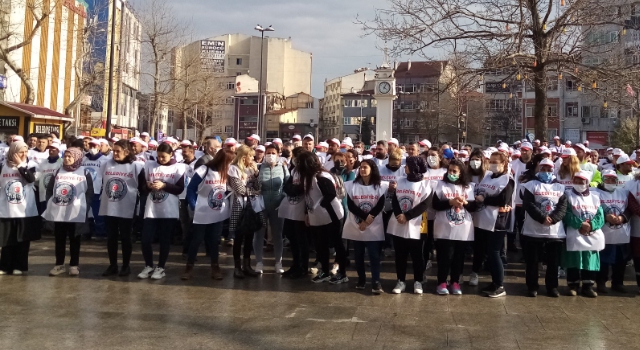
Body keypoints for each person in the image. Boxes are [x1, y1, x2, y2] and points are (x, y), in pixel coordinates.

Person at [182, 149, 235, 281]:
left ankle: (215, 267)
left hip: (217, 212)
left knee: (214, 240)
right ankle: (189, 268)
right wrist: (193, 206)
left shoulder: (227, 172)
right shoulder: (204, 170)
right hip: (202, 210)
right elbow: (191, 188)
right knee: (197, 239)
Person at [521, 157, 568, 297]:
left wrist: (552, 219)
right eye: (543, 169)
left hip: (555, 233)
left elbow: (563, 206)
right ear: (539, 169)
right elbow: (528, 204)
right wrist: (542, 217)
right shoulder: (530, 185)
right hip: (533, 231)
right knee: (532, 262)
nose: (546, 171)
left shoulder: (560, 187)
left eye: (549, 169)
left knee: (553, 263)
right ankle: (532, 286)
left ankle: (552, 287)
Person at [296, 152, 346, 284]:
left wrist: (320, 206)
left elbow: (330, 194)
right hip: (316, 217)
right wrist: (308, 213)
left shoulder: (321, 176)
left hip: (331, 215)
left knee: (337, 243)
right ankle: (324, 271)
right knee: (320, 245)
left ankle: (343, 273)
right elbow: (308, 197)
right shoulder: (307, 177)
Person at [43, 148, 94, 276]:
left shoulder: (84, 172)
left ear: (77, 158)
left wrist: (85, 207)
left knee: (75, 239)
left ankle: (73, 265)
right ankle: (59, 265)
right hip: (59, 211)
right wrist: (50, 203)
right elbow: (50, 190)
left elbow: (89, 193)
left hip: (76, 213)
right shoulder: (58, 171)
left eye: (70, 156)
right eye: (65, 156)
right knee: (59, 239)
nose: (67, 158)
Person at [138, 143, 185, 280]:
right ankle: (148, 265)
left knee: (164, 239)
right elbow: (141, 186)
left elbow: (179, 189)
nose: (161, 159)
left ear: (171, 154)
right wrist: (147, 185)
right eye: (158, 156)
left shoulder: (178, 167)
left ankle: (161, 267)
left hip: (168, 209)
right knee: (146, 239)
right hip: (152, 208)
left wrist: (164, 185)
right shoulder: (149, 165)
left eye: (163, 157)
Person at [471, 152, 514, 297]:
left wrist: (484, 199)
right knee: (486, 252)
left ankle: (500, 285)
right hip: (483, 218)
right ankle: (494, 282)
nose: (494, 164)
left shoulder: (507, 179)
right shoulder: (488, 176)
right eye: (492, 161)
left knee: (494, 252)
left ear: (504, 163)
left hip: (497, 221)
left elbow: (503, 199)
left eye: (497, 162)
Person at [100, 140, 145, 277]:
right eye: (113, 151)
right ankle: (112, 265)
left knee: (125, 237)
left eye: (118, 151)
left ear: (127, 151)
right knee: (111, 237)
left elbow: (142, 187)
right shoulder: (107, 164)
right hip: (109, 206)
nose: (115, 153)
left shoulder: (136, 166)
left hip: (127, 206)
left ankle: (126, 265)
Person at [343, 159, 388, 294]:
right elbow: (351, 205)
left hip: (373, 225)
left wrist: (369, 219)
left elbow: (380, 204)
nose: (362, 170)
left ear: (372, 169)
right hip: (357, 225)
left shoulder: (380, 186)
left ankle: (375, 281)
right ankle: (361, 279)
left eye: (365, 167)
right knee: (358, 255)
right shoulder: (351, 185)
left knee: (374, 255)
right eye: (361, 167)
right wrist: (363, 219)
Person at [432, 159, 476, 295]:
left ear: (461, 173)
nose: (451, 173)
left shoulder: (468, 187)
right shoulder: (440, 185)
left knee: (458, 257)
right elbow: (435, 205)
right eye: (449, 170)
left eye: (454, 171)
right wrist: (449, 202)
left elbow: (474, 207)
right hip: (444, 227)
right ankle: (442, 282)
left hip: (462, 228)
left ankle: (455, 281)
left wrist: (466, 203)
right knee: (445, 256)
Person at [388, 156, 431, 294]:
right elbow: (395, 199)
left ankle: (418, 281)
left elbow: (425, 204)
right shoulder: (400, 181)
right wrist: (399, 214)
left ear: (415, 168)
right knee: (400, 254)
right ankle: (401, 280)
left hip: (417, 224)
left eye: (407, 165)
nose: (404, 167)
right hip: (399, 222)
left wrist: (407, 216)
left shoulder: (425, 184)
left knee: (417, 255)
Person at [562, 170, 605, 298]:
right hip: (574, 233)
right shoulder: (567, 195)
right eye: (576, 180)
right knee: (574, 259)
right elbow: (566, 213)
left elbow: (600, 215)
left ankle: (588, 286)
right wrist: (580, 224)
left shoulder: (595, 197)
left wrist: (591, 225)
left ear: (587, 183)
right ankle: (573, 285)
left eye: (582, 181)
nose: (579, 183)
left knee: (589, 259)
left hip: (591, 234)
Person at [0, 141, 40, 275]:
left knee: (22, 239)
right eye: (20, 152)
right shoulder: (3, 165)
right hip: (7, 208)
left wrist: (21, 165)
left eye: (25, 152)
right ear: (12, 152)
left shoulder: (30, 165)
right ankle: (5, 266)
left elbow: (30, 179)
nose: (23, 155)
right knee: (7, 238)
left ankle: (20, 266)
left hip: (24, 209)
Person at [253, 144, 290, 274]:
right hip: (261, 205)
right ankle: (259, 262)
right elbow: (252, 185)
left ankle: (278, 262)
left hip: (277, 206)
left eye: (273, 153)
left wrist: (284, 198)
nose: (270, 155)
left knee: (277, 235)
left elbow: (288, 185)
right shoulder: (258, 168)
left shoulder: (284, 168)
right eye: (268, 153)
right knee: (258, 234)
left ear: (278, 154)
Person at [228, 145, 262, 278]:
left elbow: (259, 186)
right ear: (243, 157)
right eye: (251, 156)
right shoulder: (233, 169)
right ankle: (237, 267)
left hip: (251, 206)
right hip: (238, 205)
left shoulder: (250, 169)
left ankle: (247, 265)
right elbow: (240, 190)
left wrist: (256, 173)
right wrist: (254, 192)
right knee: (238, 237)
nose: (253, 158)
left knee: (249, 237)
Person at [594, 170, 630, 294]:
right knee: (604, 260)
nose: (610, 182)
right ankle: (601, 283)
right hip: (604, 233)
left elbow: (629, 209)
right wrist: (605, 216)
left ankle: (618, 283)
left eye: (613, 179)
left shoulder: (623, 192)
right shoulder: (596, 193)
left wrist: (623, 218)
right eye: (607, 179)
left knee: (621, 260)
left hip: (621, 233)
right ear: (603, 180)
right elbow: (592, 208)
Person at [279, 147, 309, 279]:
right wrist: (293, 189)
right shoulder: (294, 170)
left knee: (302, 240)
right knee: (291, 237)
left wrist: (295, 189)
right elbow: (287, 186)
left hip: (302, 211)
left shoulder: (308, 172)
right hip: (291, 209)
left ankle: (303, 267)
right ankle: (295, 264)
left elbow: (303, 188)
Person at [423, 147, 448, 273]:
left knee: (439, 238)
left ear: (439, 157)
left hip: (441, 211)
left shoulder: (445, 172)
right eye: (428, 155)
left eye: (433, 155)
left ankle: (441, 260)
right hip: (426, 212)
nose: (430, 158)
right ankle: (426, 259)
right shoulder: (424, 172)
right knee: (426, 237)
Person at [82, 138, 110, 239]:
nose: (92, 148)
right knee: (86, 212)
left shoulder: (105, 160)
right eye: (91, 146)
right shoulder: (83, 158)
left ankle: (101, 232)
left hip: (98, 189)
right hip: (85, 189)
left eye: (95, 146)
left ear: (99, 147)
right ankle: (87, 231)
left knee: (97, 212)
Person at [179, 144, 197, 256]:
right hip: (181, 196)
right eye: (182, 152)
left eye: (185, 152)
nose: (183, 154)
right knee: (184, 222)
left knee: (193, 222)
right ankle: (186, 248)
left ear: (192, 152)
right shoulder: (179, 164)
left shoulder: (199, 164)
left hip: (193, 197)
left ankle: (192, 247)